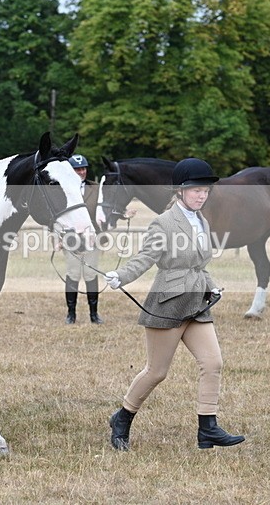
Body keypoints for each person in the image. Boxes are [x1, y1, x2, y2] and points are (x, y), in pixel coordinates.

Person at [103, 157, 244, 451]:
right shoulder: (164, 222)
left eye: (205, 191)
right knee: (156, 371)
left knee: (212, 362)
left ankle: (208, 428)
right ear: (179, 190)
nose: (201, 195)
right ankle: (122, 418)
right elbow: (145, 258)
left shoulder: (202, 220)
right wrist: (121, 276)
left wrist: (211, 284)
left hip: (197, 302)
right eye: (195, 190)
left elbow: (199, 263)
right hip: (168, 301)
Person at [62, 154, 103, 324]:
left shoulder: (96, 188)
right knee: (73, 274)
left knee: (90, 274)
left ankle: (94, 314)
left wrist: (123, 215)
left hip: (91, 238)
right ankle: (71, 313)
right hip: (71, 238)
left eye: (83, 168)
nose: (81, 172)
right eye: (77, 169)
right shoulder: (63, 189)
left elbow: (104, 209)